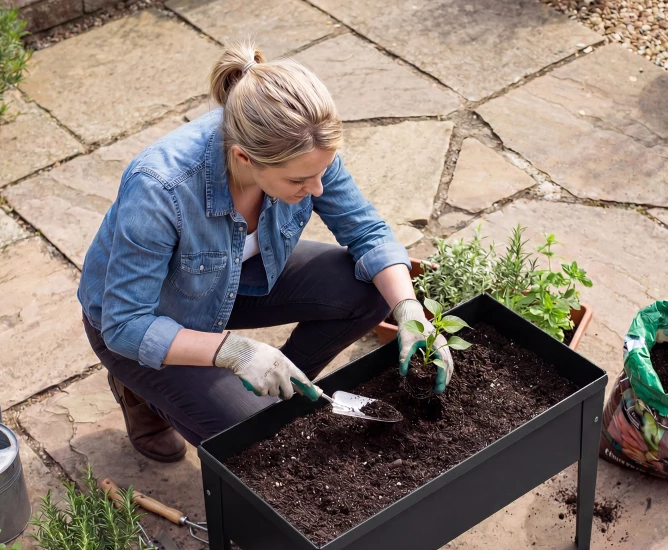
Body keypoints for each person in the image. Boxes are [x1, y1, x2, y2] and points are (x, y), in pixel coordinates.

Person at [78, 40, 454, 462]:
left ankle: (276, 395)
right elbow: (126, 324)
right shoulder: (161, 187)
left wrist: (408, 312)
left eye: (322, 172)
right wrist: (234, 352)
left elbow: (367, 231)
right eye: (299, 182)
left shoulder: (305, 149)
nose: (317, 190)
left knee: (369, 292)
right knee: (250, 438)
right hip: (147, 318)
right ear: (243, 157)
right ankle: (143, 392)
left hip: (238, 282)